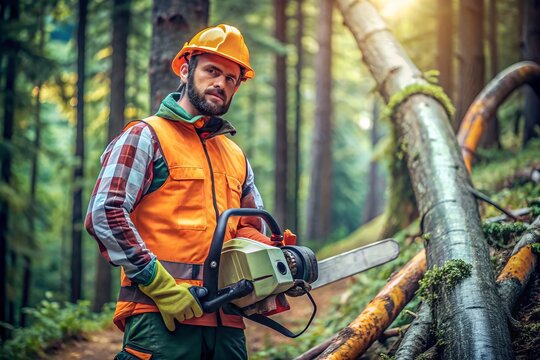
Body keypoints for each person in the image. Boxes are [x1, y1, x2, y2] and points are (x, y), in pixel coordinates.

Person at [85, 24, 294, 360]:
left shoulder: (236, 155)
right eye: (213, 71)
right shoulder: (146, 135)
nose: (221, 84)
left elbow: (246, 228)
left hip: (228, 324)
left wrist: (275, 253)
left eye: (231, 79)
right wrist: (161, 286)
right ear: (185, 70)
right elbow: (105, 213)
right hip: (161, 319)